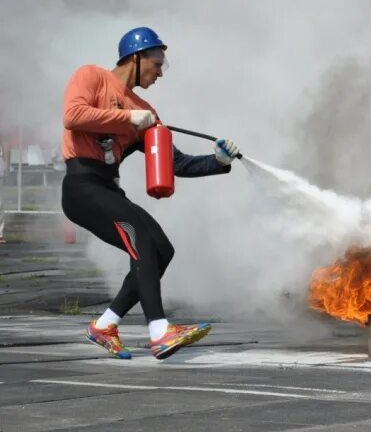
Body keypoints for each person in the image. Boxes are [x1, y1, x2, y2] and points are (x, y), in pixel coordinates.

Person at [62, 27, 239, 360]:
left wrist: (218, 161)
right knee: (140, 234)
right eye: (157, 63)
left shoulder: (146, 111)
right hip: (81, 185)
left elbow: (177, 163)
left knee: (161, 249)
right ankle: (159, 330)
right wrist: (127, 117)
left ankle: (105, 324)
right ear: (136, 56)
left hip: (107, 188)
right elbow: (72, 116)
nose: (160, 72)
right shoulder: (91, 76)